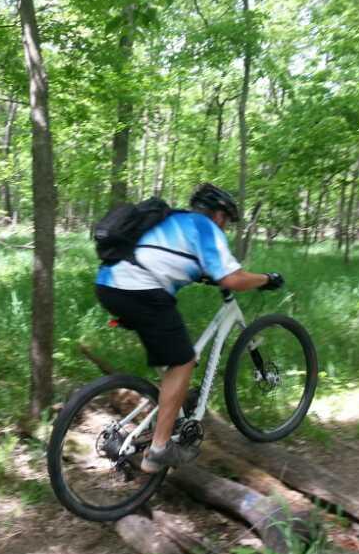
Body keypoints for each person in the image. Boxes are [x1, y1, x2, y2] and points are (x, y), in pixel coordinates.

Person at [94, 183, 284, 473]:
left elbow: (168, 257)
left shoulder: (173, 220)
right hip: (139, 288)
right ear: (219, 215)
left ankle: (173, 406)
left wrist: (206, 276)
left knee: (176, 354)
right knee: (183, 360)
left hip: (109, 284)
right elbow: (233, 279)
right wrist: (266, 279)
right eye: (227, 221)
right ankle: (158, 449)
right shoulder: (205, 227)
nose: (226, 227)